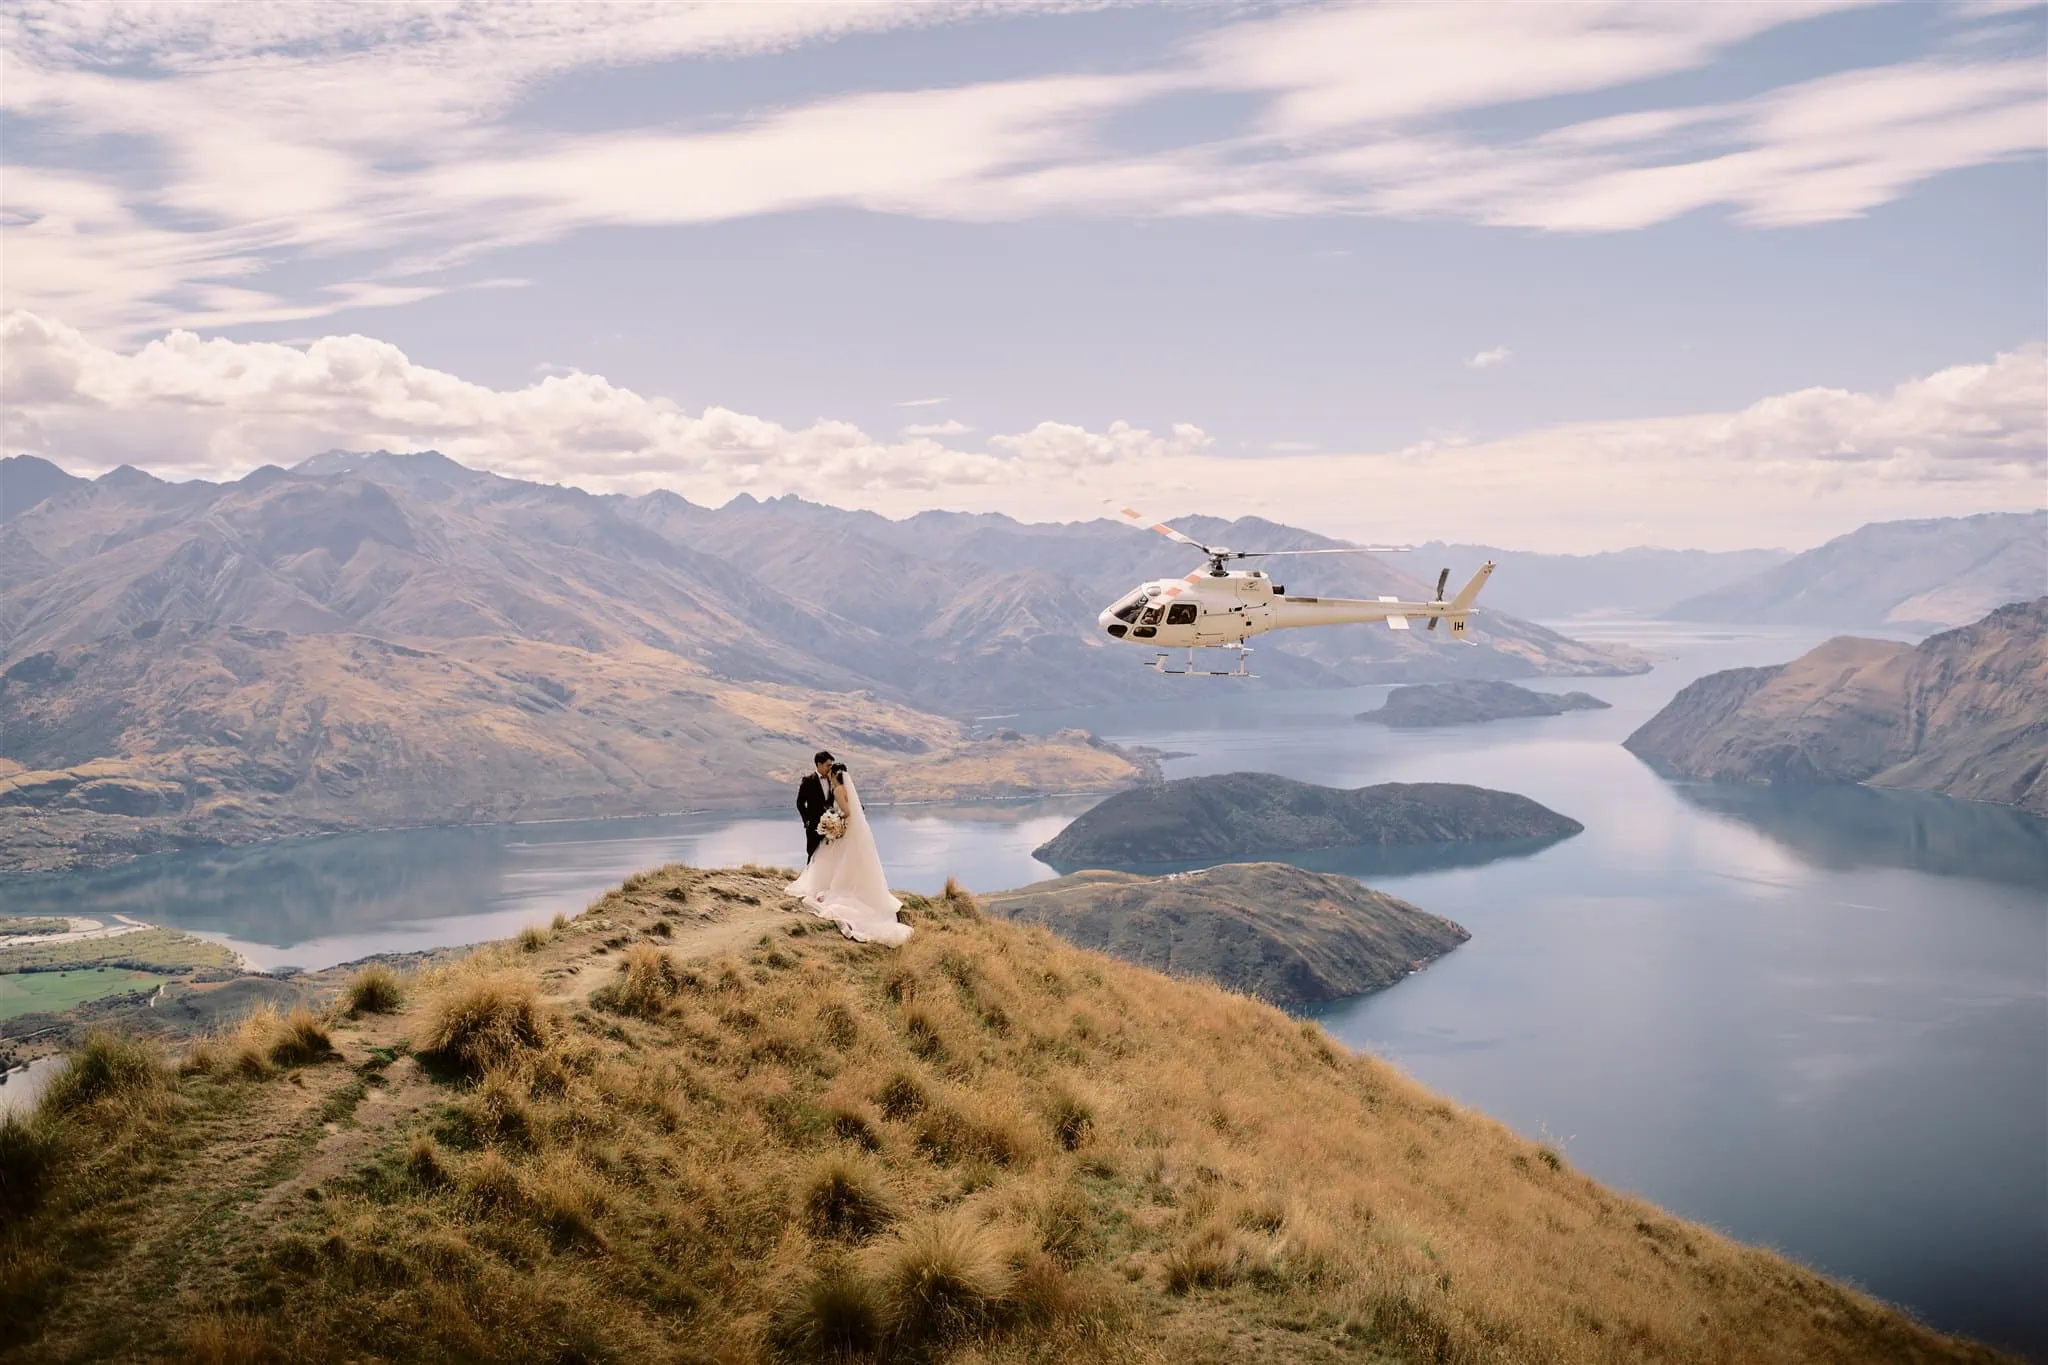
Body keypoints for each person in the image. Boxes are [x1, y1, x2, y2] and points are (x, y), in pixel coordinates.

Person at [788, 761, 910, 944]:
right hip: (850, 831)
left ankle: (836, 888)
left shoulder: (837, 790)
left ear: (833, 775)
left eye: (830, 770)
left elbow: (846, 811)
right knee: (848, 860)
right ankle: (850, 886)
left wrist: (834, 819)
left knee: (836, 859)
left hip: (844, 829)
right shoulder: (845, 789)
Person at [797, 751, 835, 862]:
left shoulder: (833, 780)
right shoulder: (808, 781)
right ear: (819, 764)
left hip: (832, 826)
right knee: (813, 855)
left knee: (830, 856)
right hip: (814, 826)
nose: (830, 768)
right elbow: (800, 802)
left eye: (831, 765)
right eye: (828, 765)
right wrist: (807, 821)